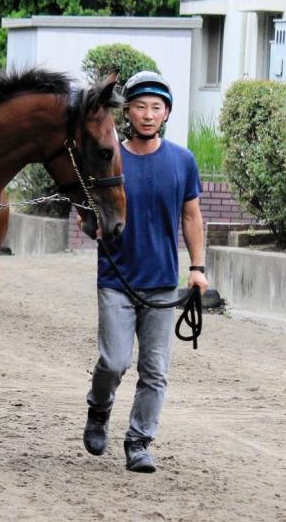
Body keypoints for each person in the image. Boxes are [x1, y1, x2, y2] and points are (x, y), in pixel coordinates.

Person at [82, 71, 208, 473]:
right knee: (114, 362)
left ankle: (139, 442)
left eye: (156, 107)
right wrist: (93, 224)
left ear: (166, 112)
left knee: (156, 371)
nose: (148, 114)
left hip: (161, 284)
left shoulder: (182, 161)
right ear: (127, 114)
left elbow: (192, 217)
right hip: (116, 278)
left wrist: (197, 268)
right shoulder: (109, 158)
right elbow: (87, 211)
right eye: (140, 106)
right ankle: (98, 409)